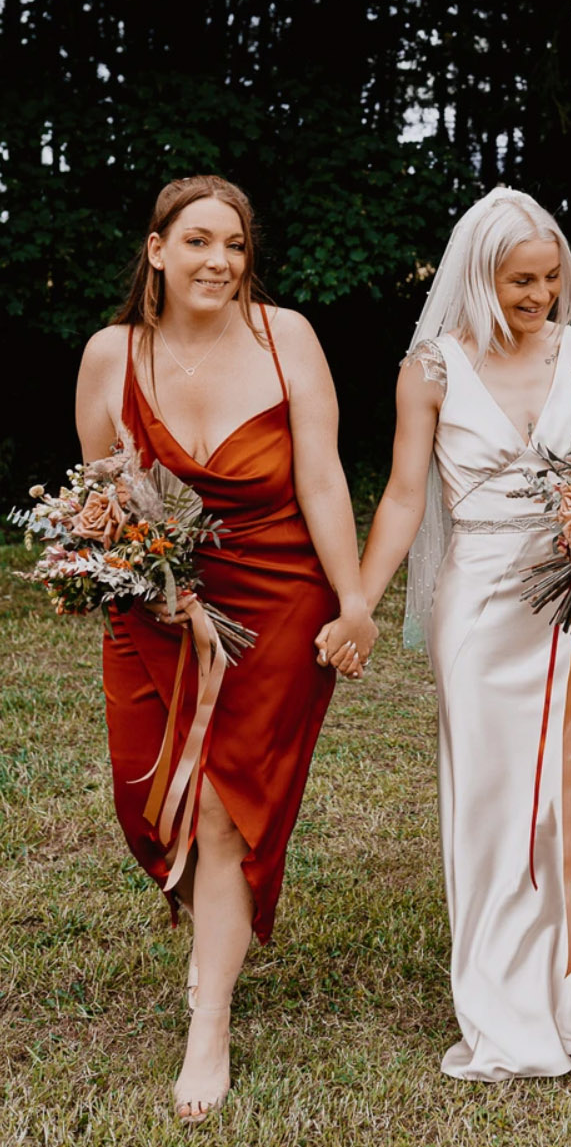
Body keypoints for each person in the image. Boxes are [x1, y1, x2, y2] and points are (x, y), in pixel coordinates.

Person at [75, 175, 377, 1121]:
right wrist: (150, 583)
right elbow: (103, 497)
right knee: (147, 798)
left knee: (221, 810)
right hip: (158, 610)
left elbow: (323, 479)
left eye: (235, 245)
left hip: (280, 598)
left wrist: (357, 599)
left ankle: (209, 1021)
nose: (220, 261)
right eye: (198, 241)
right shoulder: (110, 354)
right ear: (156, 251)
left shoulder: (285, 339)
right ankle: (208, 934)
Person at [359, 186, 571, 1080]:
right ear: (481, 277)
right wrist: (360, 603)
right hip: (480, 605)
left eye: (553, 278)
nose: (541, 297)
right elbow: (407, 496)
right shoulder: (431, 369)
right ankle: (504, 1009)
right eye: (522, 280)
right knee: (490, 805)